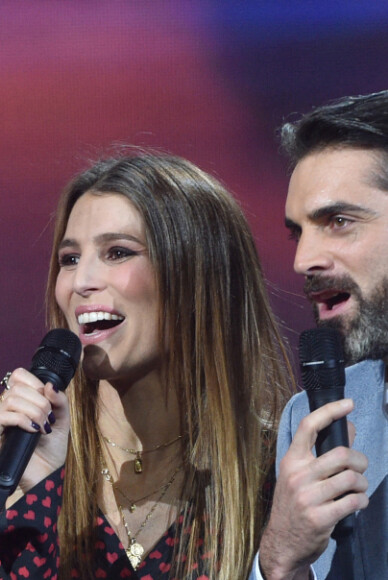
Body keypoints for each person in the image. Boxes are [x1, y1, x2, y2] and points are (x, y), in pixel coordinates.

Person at [0, 151, 292, 579]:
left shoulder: (272, 468)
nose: (80, 282)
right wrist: (40, 491)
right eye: (69, 259)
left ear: (199, 276)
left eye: (118, 252)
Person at [253, 90, 388, 579]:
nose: (302, 260)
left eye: (338, 221)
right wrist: (281, 560)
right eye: (299, 232)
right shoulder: (311, 419)